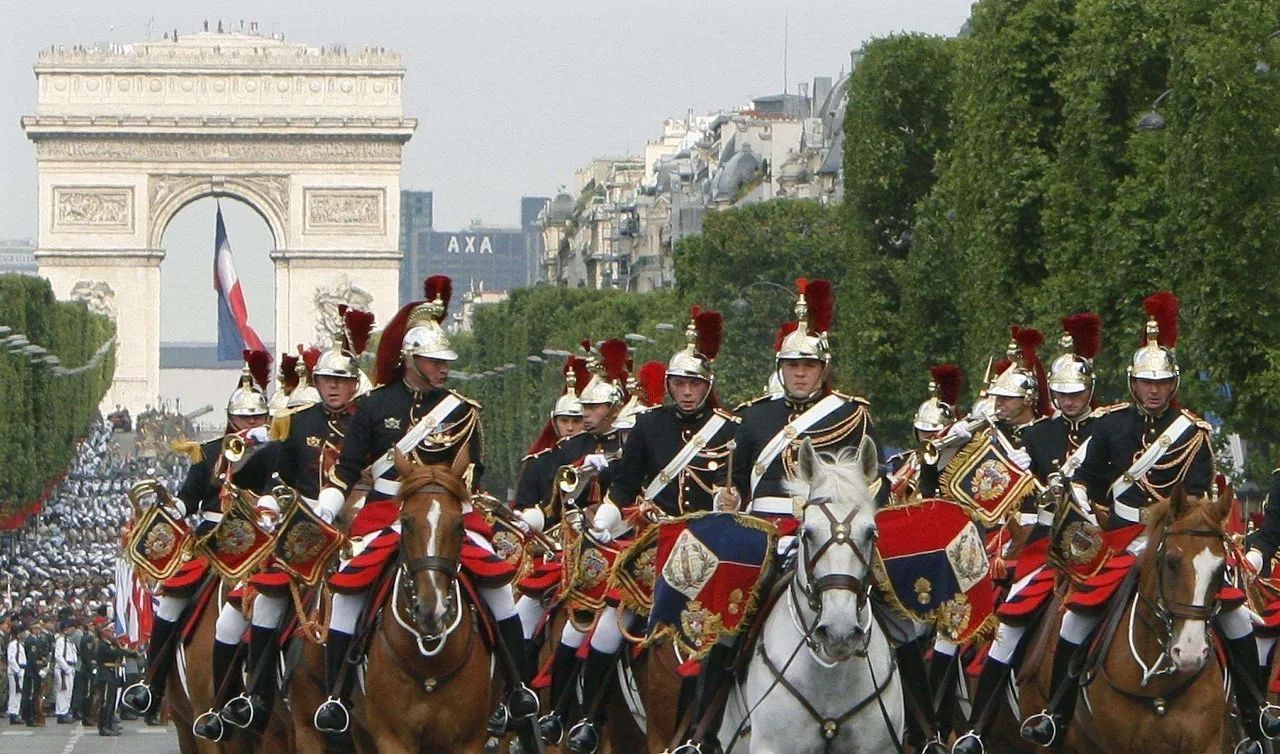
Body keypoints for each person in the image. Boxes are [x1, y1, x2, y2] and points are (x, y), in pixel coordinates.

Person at [1018, 293, 1279, 754]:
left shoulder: (1192, 431)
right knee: (1078, 614)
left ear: (1173, 383)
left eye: (1161, 383)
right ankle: (1057, 712)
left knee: (1237, 614)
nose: (1153, 391)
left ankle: (1255, 711)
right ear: (1132, 383)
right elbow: (1086, 479)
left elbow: (1197, 494)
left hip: (1177, 535)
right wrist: (1079, 501)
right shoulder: (1109, 425)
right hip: (1120, 538)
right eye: (1145, 383)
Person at [312, 276, 522, 735]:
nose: (443, 368)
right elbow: (348, 468)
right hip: (387, 511)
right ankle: (336, 695)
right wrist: (329, 506)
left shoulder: (463, 410)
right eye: (434, 360)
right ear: (410, 359)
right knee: (347, 593)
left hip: (449, 514)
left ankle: (516, 690)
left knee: (501, 591)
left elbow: (473, 475)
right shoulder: (372, 407)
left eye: (446, 361)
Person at [563, 308, 738, 754]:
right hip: (658, 540)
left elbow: (748, 487)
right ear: (669, 386)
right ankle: (589, 718)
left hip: (714, 543)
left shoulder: (731, 430)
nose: (686, 391)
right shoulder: (648, 425)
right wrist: (606, 518)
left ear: (707, 386)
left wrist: (734, 503)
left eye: (694, 384)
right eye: (679, 383)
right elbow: (625, 484)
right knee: (606, 627)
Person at [217, 306, 373, 732]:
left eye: (343, 380)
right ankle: (258, 696)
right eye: (328, 380)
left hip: (363, 522)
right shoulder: (294, 424)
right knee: (267, 600)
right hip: (307, 524)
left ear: (354, 384)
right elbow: (274, 480)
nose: (335, 387)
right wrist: (268, 501)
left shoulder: (372, 420)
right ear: (317, 382)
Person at [952, 313, 1103, 754]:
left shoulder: (1108, 429)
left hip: (1097, 540)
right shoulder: (1037, 435)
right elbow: (1003, 488)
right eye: (1062, 393)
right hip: (1044, 544)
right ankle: (979, 726)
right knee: (1009, 629)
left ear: (1089, 392)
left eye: (1076, 393)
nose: (1069, 401)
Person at [121, 352, 273, 725]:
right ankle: (151, 684)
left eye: (257, 417)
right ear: (230, 418)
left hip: (257, 542)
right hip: (211, 543)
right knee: (173, 601)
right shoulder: (207, 452)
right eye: (244, 417)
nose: (250, 423)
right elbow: (188, 498)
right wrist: (168, 507)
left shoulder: (276, 453)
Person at [53, 619, 77, 724]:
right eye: (71, 627)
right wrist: (66, 668)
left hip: (70, 667)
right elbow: (58, 655)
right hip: (63, 669)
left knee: (68, 692)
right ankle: (61, 713)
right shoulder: (61, 640)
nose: (73, 630)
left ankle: (65, 711)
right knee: (63, 692)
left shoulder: (68, 640)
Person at [7, 622, 26, 724]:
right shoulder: (13, 644)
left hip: (20, 670)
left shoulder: (19, 644)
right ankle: (13, 714)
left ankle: (16, 712)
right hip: (15, 672)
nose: (24, 634)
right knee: (15, 693)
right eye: (22, 632)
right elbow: (11, 659)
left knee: (18, 693)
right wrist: (17, 670)